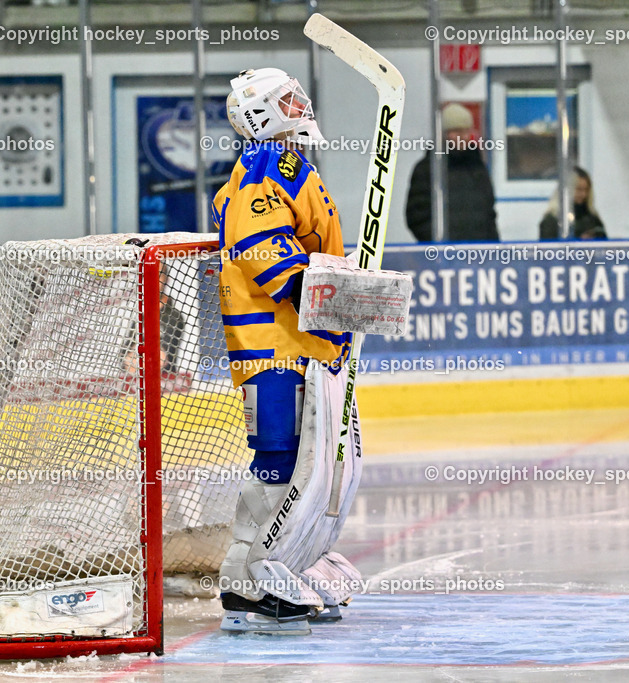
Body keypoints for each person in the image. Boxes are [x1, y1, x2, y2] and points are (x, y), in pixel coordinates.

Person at [211, 68, 361, 635]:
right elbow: (264, 250)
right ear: (261, 111)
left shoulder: (292, 167)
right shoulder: (265, 168)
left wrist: (345, 303)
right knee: (281, 459)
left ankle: (261, 569)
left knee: (305, 463)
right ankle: (256, 577)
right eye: (287, 99)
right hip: (274, 348)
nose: (301, 105)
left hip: (303, 345)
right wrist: (327, 301)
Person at [405, 102, 499, 242]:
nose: (464, 137)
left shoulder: (477, 166)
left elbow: (489, 213)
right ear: (443, 134)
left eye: (467, 131)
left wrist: (493, 248)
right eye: (457, 131)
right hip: (442, 257)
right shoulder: (427, 169)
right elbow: (417, 216)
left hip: (479, 254)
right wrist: (438, 245)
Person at [539, 166, 606, 240]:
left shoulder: (591, 217)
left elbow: (604, 243)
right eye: (579, 190)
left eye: (586, 190)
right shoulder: (551, 220)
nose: (583, 194)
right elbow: (547, 248)